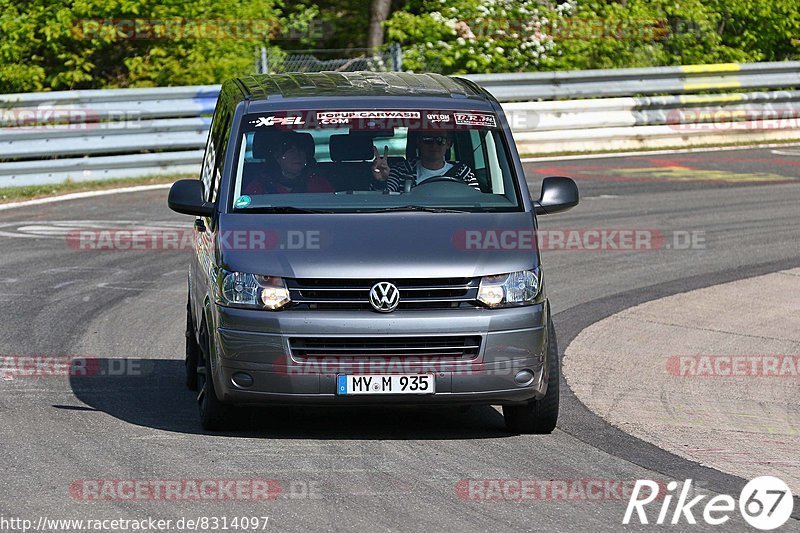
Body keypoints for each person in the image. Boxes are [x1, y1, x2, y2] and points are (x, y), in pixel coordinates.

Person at [370, 130, 479, 192]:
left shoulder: (463, 172)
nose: (434, 145)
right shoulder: (401, 170)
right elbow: (383, 200)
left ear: (448, 144)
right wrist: (381, 181)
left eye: (440, 140)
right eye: (427, 140)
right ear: (418, 143)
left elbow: (477, 201)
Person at [243, 132, 334, 195]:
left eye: (301, 151)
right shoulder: (259, 185)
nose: (297, 155)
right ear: (277, 157)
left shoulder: (318, 183)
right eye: (291, 151)